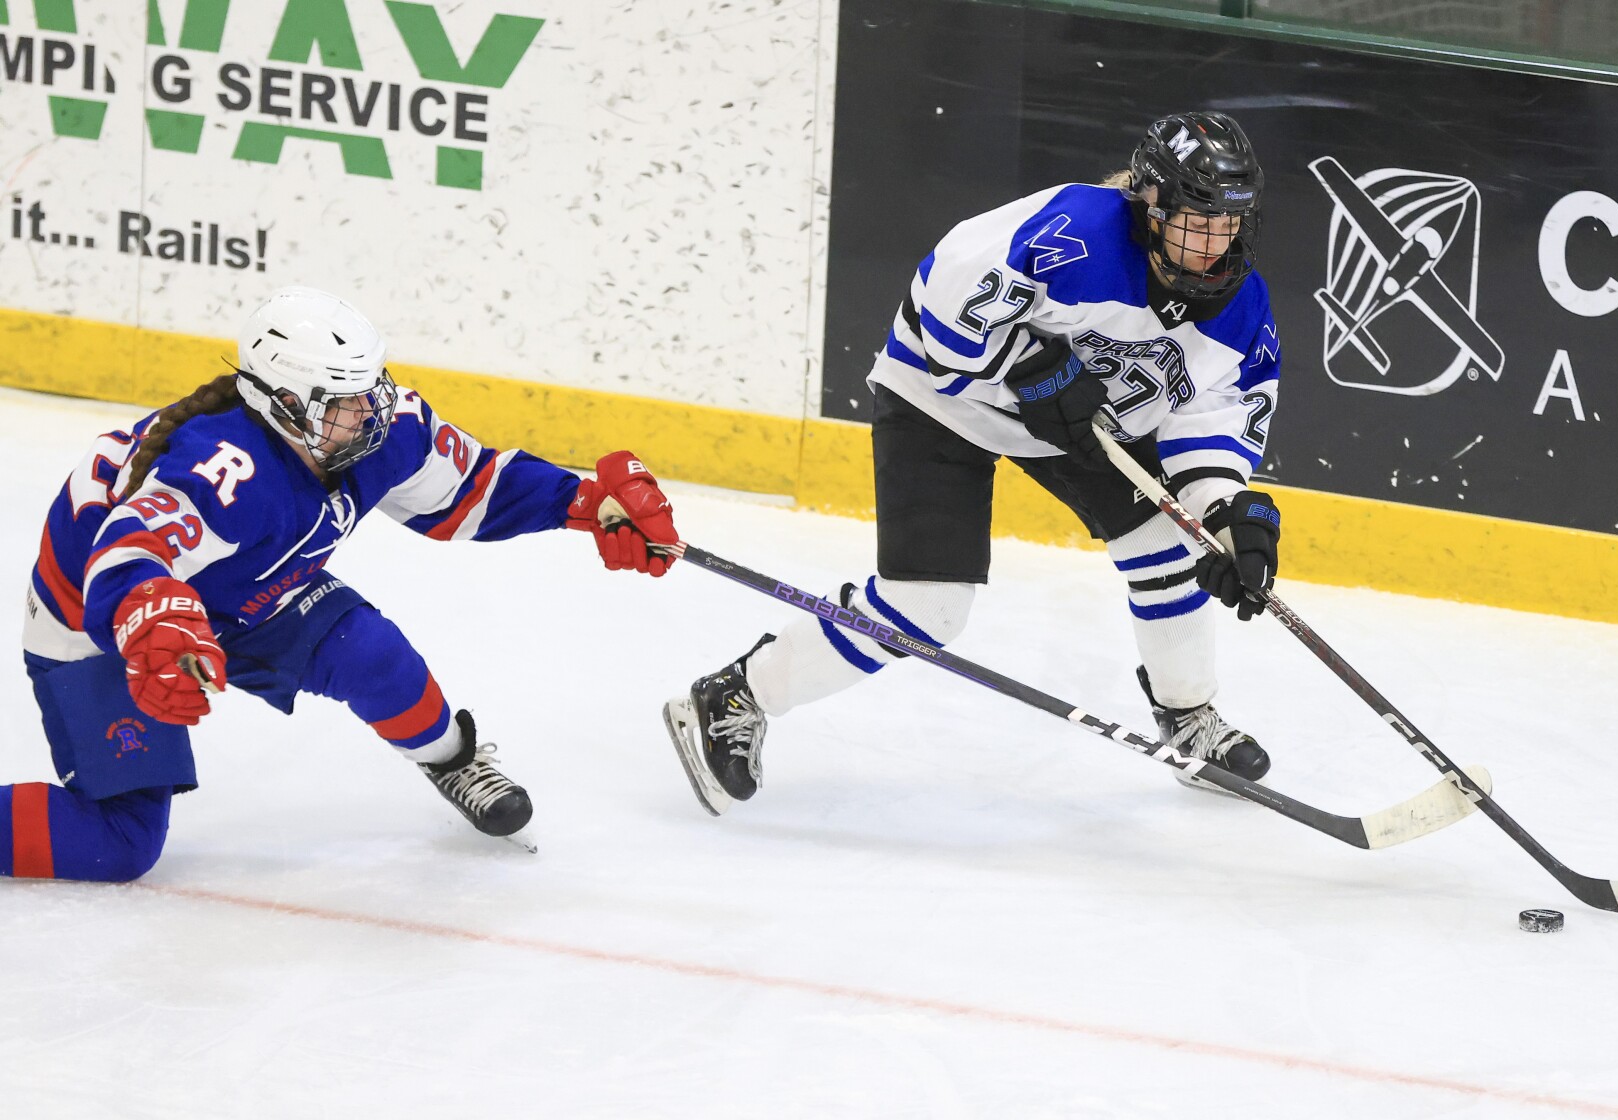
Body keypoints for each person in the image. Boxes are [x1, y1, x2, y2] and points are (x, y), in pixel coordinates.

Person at [665, 111, 1282, 815]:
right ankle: (737, 694)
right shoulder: (1073, 229)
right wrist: (1038, 372)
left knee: (1168, 548)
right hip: (943, 396)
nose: (1211, 246)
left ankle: (1188, 720)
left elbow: (1210, 423)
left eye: (1226, 225)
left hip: (1080, 425)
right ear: (1149, 206)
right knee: (926, 607)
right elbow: (944, 295)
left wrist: (1227, 516)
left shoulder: (1243, 310)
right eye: (1193, 223)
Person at [3, 286, 678, 881]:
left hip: (246, 587)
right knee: (121, 844)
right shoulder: (225, 471)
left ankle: (452, 761)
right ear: (285, 405)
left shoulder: (376, 429)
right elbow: (125, 555)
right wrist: (155, 619)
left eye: (370, 385)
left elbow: (471, 488)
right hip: (97, 615)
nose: (370, 409)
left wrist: (588, 505)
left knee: (372, 654)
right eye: (343, 398)